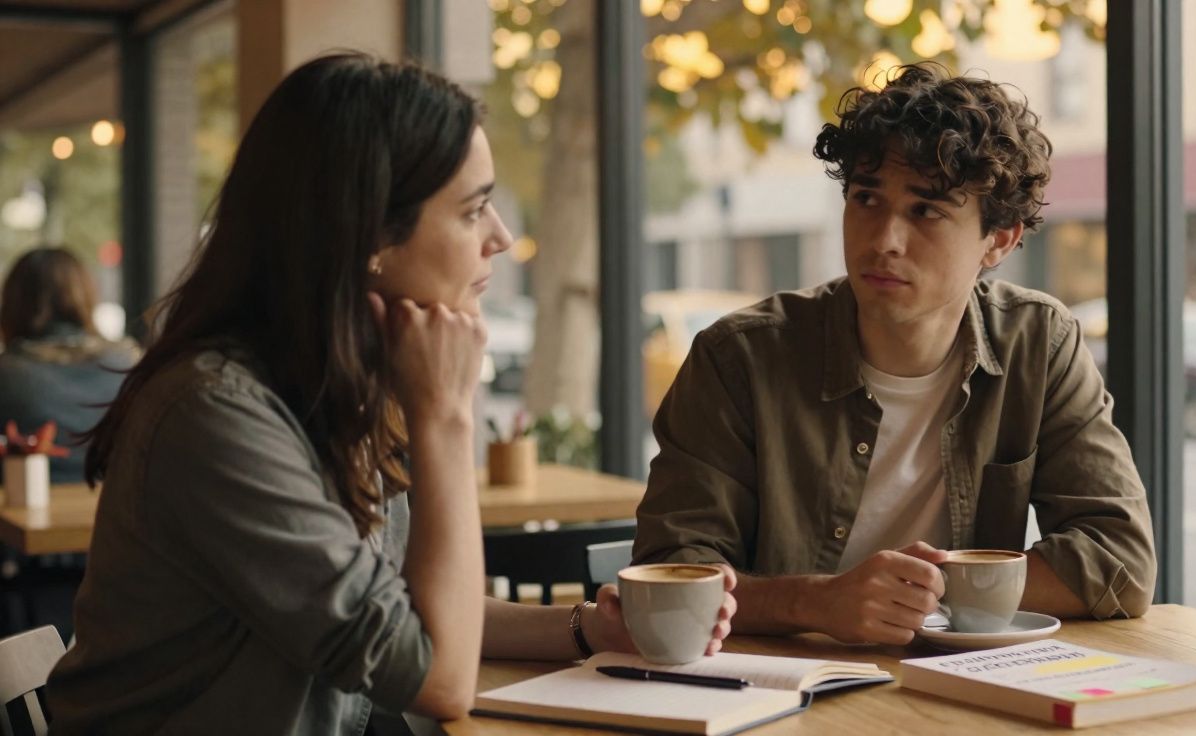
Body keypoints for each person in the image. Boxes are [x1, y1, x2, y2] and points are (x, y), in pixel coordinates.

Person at [45, 53, 734, 735]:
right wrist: (446, 417)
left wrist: (589, 629)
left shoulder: (339, 390)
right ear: (370, 234)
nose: (501, 237)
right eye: (474, 209)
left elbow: (410, 617)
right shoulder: (218, 416)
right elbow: (438, 678)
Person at [632, 63, 1155, 647]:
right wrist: (815, 602)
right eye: (866, 199)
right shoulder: (739, 358)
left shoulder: (1039, 344)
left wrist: (925, 590)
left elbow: (1120, 561)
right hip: (779, 681)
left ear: (999, 240)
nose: (883, 240)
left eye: (926, 211)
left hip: (953, 677)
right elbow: (671, 568)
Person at [0, 246, 137, 483]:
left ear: (11, 303)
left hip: (26, 503)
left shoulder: (7, 373)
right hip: (110, 501)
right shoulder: (128, 364)